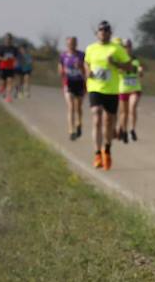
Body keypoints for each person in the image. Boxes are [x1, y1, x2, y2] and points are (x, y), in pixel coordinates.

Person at [84, 21, 132, 170]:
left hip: (111, 90)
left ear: (110, 33)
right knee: (96, 115)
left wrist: (115, 63)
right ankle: (97, 153)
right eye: (101, 30)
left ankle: (107, 150)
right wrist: (88, 72)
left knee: (108, 121)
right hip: (95, 87)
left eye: (106, 30)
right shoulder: (91, 48)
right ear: (97, 33)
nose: (103, 32)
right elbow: (86, 63)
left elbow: (129, 67)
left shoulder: (116, 49)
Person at [58, 36, 87, 139]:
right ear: (67, 44)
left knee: (78, 107)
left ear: (76, 43)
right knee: (70, 107)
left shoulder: (82, 55)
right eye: (69, 43)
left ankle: (79, 124)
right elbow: (60, 70)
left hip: (79, 82)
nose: (71, 45)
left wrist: (80, 67)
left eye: (73, 43)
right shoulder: (63, 56)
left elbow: (86, 70)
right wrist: (63, 71)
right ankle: (71, 130)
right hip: (68, 83)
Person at [117, 38, 143, 143]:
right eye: (125, 46)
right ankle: (123, 130)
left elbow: (140, 72)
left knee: (132, 108)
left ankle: (132, 130)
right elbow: (120, 70)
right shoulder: (119, 60)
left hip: (135, 88)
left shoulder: (135, 59)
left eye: (129, 46)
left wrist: (140, 71)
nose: (127, 48)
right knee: (124, 112)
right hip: (123, 89)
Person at [0, 36, 19, 100]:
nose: (8, 40)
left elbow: (17, 57)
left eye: (9, 39)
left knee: (10, 81)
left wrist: (14, 60)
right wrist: (3, 58)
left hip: (10, 67)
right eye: (6, 39)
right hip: (3, 67)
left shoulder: (14, 48)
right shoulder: (2, 48)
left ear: (11, 40)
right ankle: (2, 89)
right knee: (3, 83)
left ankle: (8, 97)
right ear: (4, 40)